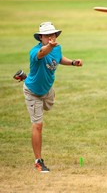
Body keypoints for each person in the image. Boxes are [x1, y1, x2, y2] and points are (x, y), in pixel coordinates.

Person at [23, 22, 83, 172]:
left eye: (53, 34)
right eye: (47, 35)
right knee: (38, 124)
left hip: (47, 90)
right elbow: (42, 53)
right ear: (40, 37)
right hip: (33, 92)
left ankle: (24, 77)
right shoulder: (35, 51)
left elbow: (60, 57)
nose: (50, 37)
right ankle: (38, 161)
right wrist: (50, 46)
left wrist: (73, 62)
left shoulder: (57, 48)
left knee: (49, 106)